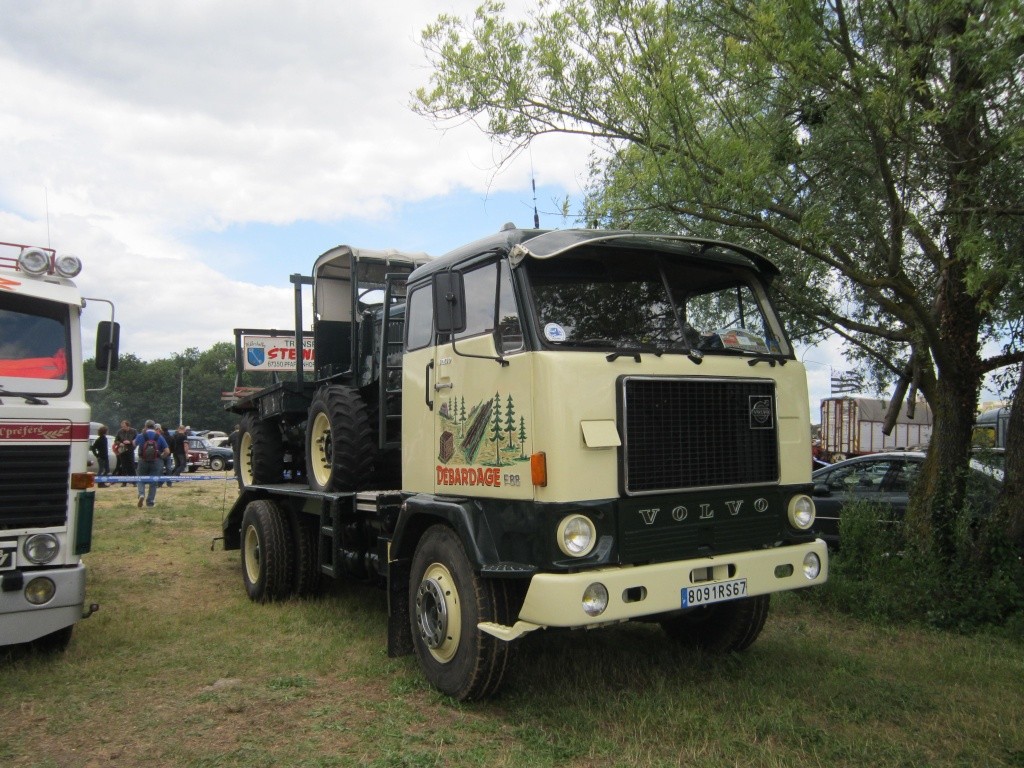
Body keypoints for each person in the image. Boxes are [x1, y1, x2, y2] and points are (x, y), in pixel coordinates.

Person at [134, 420, 170, 508]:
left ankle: (141, 494)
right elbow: (167, 451)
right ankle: (150, 502)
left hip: (143, 460)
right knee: (153, 482)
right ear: (154, 427)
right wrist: (161, 456)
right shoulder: (159, 436)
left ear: (145, 426)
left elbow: (133, 444)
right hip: (156, 461)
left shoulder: (141, 435)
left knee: (140, 478)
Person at [114, 419, 137, 486]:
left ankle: (134, 481)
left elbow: (136, 440)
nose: (123, 428)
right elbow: (116, 440)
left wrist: (130, 442)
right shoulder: (120, 432)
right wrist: (119, 443)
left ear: (127, 426)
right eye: (122, 426)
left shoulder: (134, 431)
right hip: (122, 450)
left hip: (130, 449)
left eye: (124, 426)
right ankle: (124, 482)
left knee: (131, 466)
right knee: (123, 466)